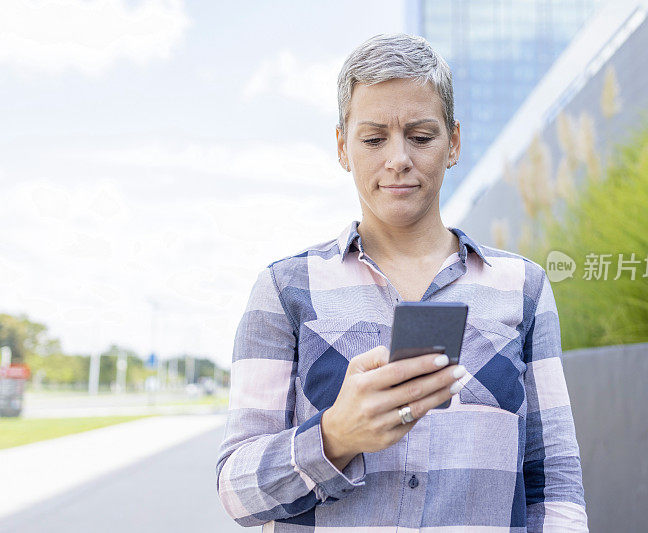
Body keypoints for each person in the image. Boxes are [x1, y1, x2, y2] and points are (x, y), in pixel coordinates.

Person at [216, 32, 588, 532]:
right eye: (373, 139)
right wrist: (335, 436)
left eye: (421, 136)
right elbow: (237, 492)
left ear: (453, 142)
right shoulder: (286, 289)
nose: (398, 159)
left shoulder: (522, 287)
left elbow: (554, 477)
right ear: (342, 147)